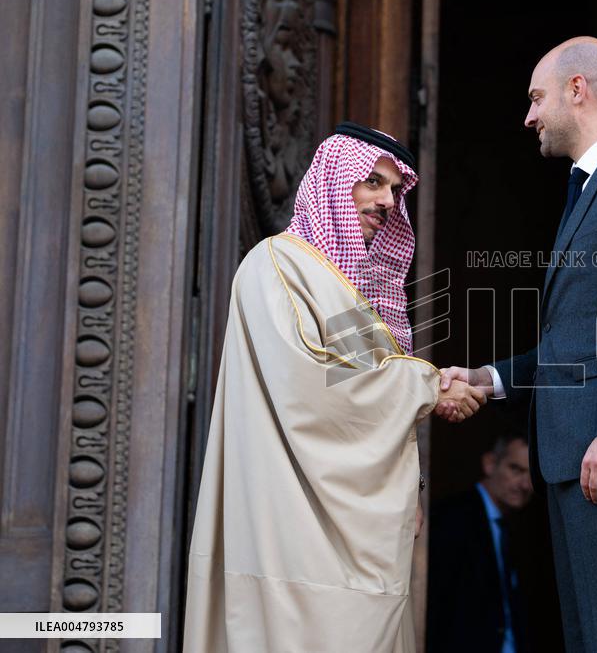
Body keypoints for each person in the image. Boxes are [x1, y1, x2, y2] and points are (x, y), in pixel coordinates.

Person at [183, 122, 486, 653]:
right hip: (287, 522)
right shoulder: (274, 267)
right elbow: (314, 389)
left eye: (394, 189)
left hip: (354, 526)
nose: (386, 200)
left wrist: (405, 487)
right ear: (332, 183)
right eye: (371, 182)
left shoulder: (353, 292)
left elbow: (366, 397)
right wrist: (429, 385)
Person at [437, 37, 597, 652]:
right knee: (590, 640)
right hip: (580, 455)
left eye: (536, 97)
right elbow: (576, 344)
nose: (529, 116)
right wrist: (488, 379)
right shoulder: (586, 189)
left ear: (578, 89)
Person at [426, 433, 533, 653]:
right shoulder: (452, 518)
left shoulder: (512, 526)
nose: (525, 484)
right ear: (490, 464)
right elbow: (439, 602)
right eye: (516, 469)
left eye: (532, 475)